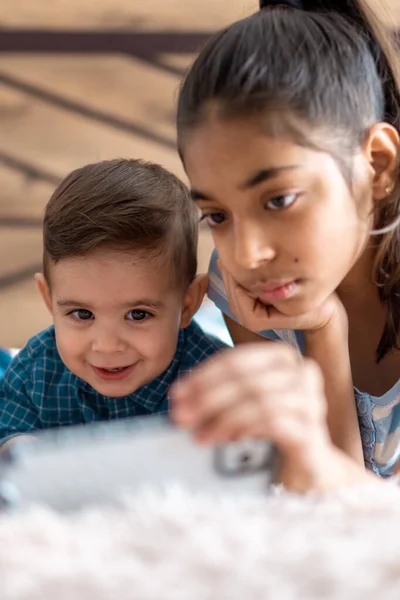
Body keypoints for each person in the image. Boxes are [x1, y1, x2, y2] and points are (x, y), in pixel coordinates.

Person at [171, 0, 400, 491]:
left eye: (279, 199)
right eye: (217, 215)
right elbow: (326, 514)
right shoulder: (242, 288)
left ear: (378, 166)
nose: (247, 254)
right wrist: (324, 329)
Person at [0, 158, 225, 452]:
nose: (107, 346)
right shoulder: (35, 373)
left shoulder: (217, 378)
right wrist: (20, 450)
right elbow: (8, 434)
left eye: (138, 314)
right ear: (48, 298)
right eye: (82, 314)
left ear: (188, 304)